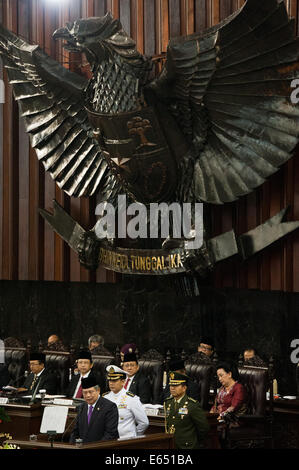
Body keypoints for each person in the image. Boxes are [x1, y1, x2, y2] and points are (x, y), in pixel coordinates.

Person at [164, 371, 208, 449]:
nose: (172, 388)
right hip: (172, 445)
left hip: (187, 446)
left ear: (184, 388)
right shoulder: (168, 402)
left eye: (176, 385)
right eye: (171, 385)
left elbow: (203, 428)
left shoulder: (192, 405)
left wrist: (194, 442)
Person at [103, 365, 149, 438]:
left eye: (114, 380)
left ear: (123, 382)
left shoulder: (131, 398)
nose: (111, 383)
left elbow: (144, 423)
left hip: (126, 439)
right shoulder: (105, 397)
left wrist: (134, 435)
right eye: (110, 380)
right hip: (109, 440)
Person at [70, 376, 119, 444]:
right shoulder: (81, 407)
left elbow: (110, 434)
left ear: (98, 390)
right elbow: (75, 432)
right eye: (85, 393)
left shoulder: (109, 407)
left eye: (90, 392)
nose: (88, 395)